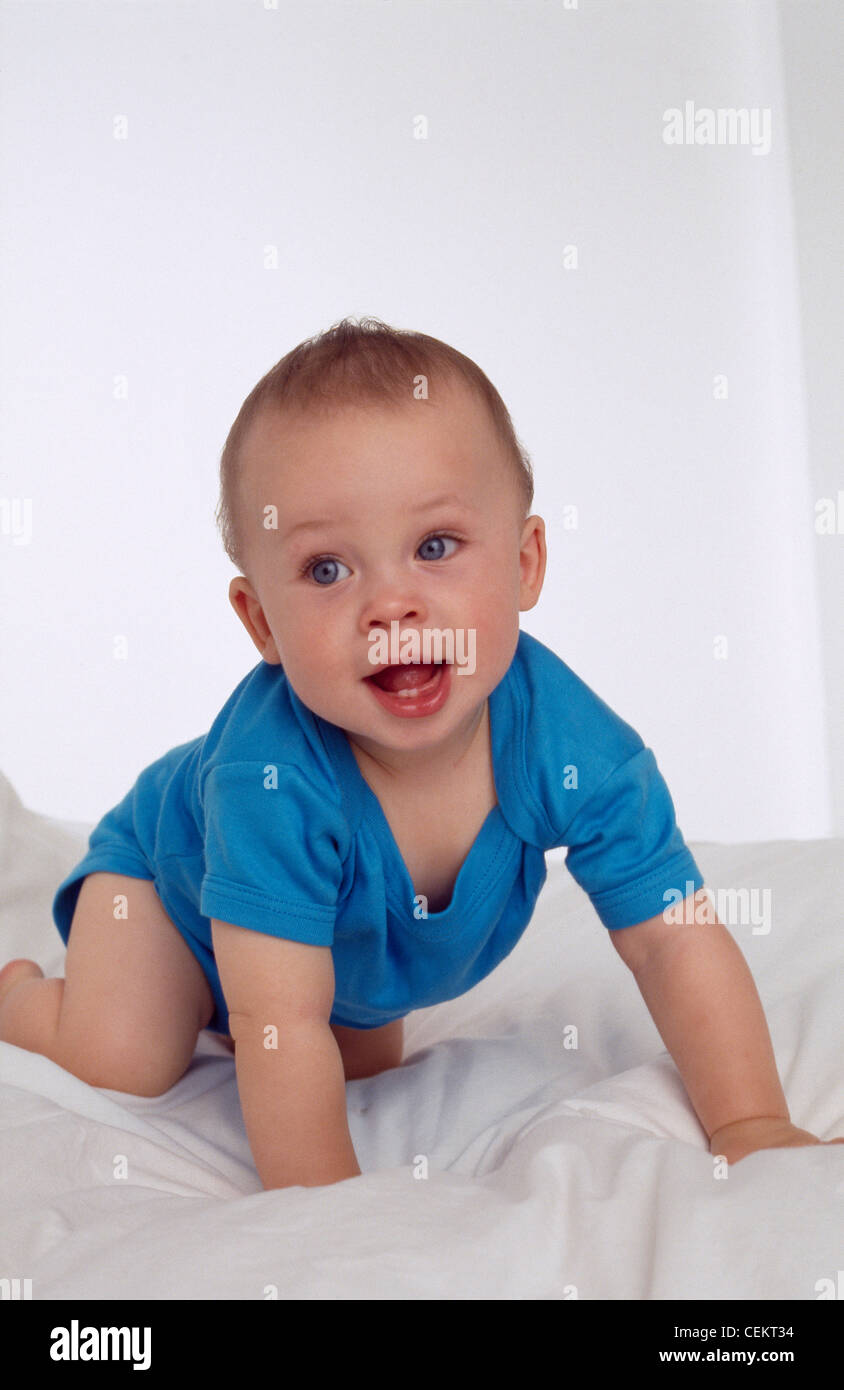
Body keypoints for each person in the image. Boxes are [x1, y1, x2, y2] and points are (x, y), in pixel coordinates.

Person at [1, 317, 840, 1189]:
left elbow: (674, 943)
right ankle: (24, 996)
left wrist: (751, 1119)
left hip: (336, 949)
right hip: (164, 887)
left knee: (358, 1061)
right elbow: (281, 1021)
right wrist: (333, 1217)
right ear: (261, 623)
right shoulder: (268, 780)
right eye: (327, 569)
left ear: (524, 564)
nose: (391, 605)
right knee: (128, 1055)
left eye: (435, 547)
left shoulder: (571, 745)